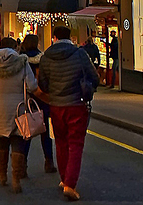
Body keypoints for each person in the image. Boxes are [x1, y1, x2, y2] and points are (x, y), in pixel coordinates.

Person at [38, 26, 99, 201]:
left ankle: (64, 178)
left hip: (56, 105)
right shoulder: (79, 54)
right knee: (76, 144)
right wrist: (90, 88)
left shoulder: (47, 57)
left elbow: (43, 84)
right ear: (70, 37)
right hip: (76, 104)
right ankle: (70, 184)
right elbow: (93, 76)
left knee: (61, 142)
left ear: (55, 38)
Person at [0, 37, 37, 194]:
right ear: (15, 47)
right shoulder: (23, 63)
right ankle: (16, 179)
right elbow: (32, 86)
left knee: (2, 141)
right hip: (18, 107)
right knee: (18, 141)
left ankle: (2, 176)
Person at [20, 34, 57, 175]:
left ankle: (22, 165)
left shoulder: (21, 59)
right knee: (45, 131)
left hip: (27, 98)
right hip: (43, 98)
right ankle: (49, 162)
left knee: (26, 133)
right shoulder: (42, 59)